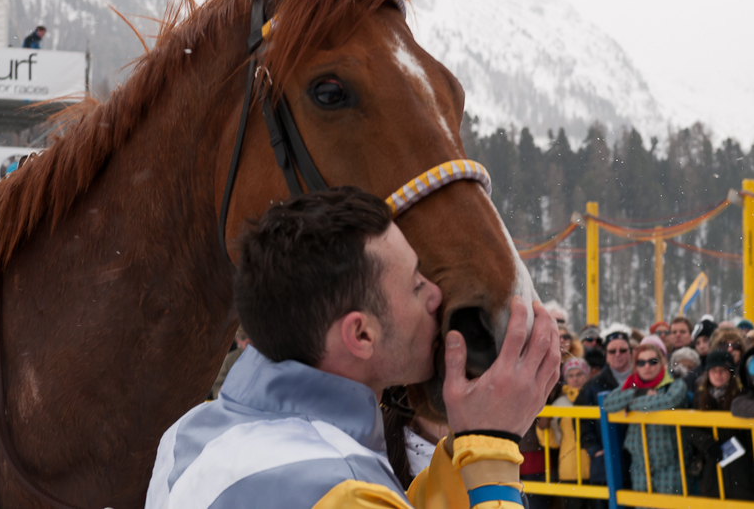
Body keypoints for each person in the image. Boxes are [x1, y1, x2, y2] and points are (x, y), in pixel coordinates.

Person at [145, 188, 561, 509]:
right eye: (416, 285)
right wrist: (492, 447)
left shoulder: (189, 433)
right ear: (360, 335)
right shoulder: (339, 487)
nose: (435, 295)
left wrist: (463, 445)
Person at [603, 338, 689, 495]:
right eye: (641, 363)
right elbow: (609, 404)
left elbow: (667, 401)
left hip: (671, 463)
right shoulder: (632, 383)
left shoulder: (675, 382)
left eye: (652, 361)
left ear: (661, 361)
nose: (647, 366)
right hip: (640, 464)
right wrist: (638, 393)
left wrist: (630, 405)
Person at [575, 326, 634, 508]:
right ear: (606, 354)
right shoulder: (593, 385)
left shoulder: (643, 379)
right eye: (612, 351)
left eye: (623, 350)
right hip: (606, 462)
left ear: (631, 353)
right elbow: (579, 419)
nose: (618, 354)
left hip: (638, 461)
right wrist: (594, 448)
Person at [685, 350, 754, 500]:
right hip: (711, 465)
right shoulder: (699, 396)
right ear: (707, 373)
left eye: (723, 370)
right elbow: (689, 426)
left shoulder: (742, 394)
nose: (718, 374)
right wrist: (707, 443)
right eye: (713, 370)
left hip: (741, 467)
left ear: (731, 373)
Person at [537, 357, 591, 509]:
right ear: (566, 379)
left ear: (587, 375)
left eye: (579, 374)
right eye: (571, 375)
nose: (575, 379)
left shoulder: (593, 398)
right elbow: (553, 441)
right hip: (570, 468)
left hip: (596, 465)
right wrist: (542, 429)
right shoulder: (560, 404)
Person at [209, 326, 252, 400]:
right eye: (243, 337)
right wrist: (220, 395)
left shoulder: (264, 357)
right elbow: (217, 386)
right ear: (237, 340)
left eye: (250, 336)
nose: (247, 340)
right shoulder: (229, 359)